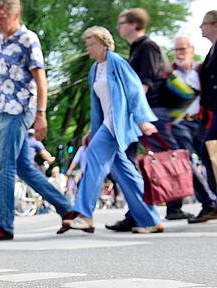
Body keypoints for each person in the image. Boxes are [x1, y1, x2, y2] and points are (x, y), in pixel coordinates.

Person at [0, 0, 75, 241]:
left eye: (3, 18)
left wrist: (41, 114)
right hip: (5, 109)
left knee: (3, 163)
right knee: (24, 168)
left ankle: (4, 225)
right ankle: (68, 210)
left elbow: (41, 79)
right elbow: (3, 83)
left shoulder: (28, 39)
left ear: (16, 15)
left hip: (22, 108)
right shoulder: (1, 41)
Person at [62, 27, 163, 234]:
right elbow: (97, 105)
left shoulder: (116, 61)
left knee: (93, 159)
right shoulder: (94, 69)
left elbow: (134, 89)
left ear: (103, 44)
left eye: (91, 44)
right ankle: (151, 219)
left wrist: (142, 120)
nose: (87, 48)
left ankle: (85, 215)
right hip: (106, 124)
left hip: (117, 125)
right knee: (125, 174)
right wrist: (92, 130)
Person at [108, 8, 186, 230]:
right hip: (139, 111)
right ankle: (136, 212)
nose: (119, 27)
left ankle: (200, 201)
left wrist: (132, 110)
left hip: (150, 111)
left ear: (133, 24)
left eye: (122, 22)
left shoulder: (147, 46)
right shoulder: (136, 48)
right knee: (127, 158)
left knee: (170, 155)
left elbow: (146, 81)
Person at [171, 35, 217, 223]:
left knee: (209, 160)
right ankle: (208, 203)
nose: (179, 53)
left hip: (200, 121)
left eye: (183, 49)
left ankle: (213, 202)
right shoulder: (170, 72)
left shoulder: (200, 69)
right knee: (186, 162)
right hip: (179, 123)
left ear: (191, 49)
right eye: (176, 50)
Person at [195, 11, 217, 224]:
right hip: (213, 110)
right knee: (208, 150)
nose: (200, 28)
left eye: (203, 24)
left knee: (208, 150)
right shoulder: (212, 50)